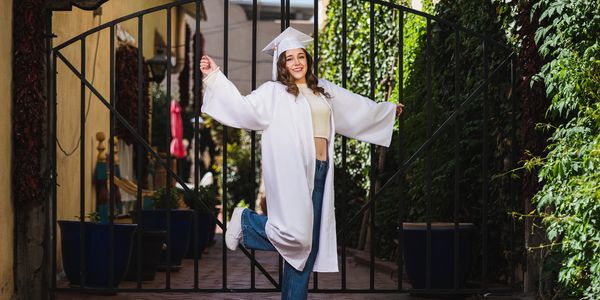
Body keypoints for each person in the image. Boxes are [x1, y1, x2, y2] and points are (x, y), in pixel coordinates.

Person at [200, 27, 403, 300]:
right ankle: (247, 221)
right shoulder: (273, 93)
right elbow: (242, 108)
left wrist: (387, 111)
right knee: (299, 239)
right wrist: (214, 77)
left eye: (301, 57)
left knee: (307, 248)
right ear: (281, 64)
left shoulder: (324, 90)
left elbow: (356, 109)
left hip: (320, 171)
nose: (296, 63)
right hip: (292, 173)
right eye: (289, 58)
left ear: (307, 59)